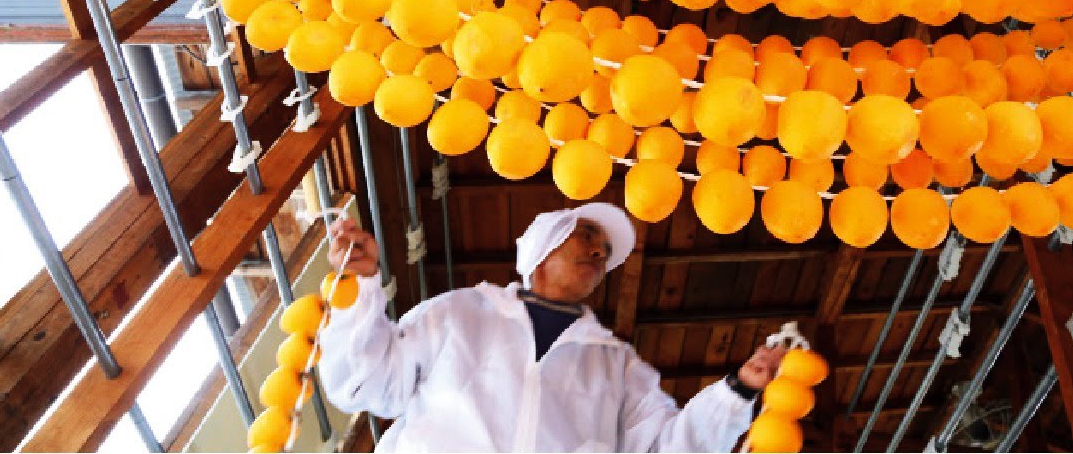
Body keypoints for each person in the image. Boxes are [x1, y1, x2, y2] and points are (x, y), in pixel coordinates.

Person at [318, 202, 786, 452]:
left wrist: (738, 391)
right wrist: (359, 289)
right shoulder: (461, 312)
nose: (600, 252)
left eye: (605, 251)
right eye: (588, 236)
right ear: (543, 247)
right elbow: (363, 383)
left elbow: (668, 448)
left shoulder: (617, 364)